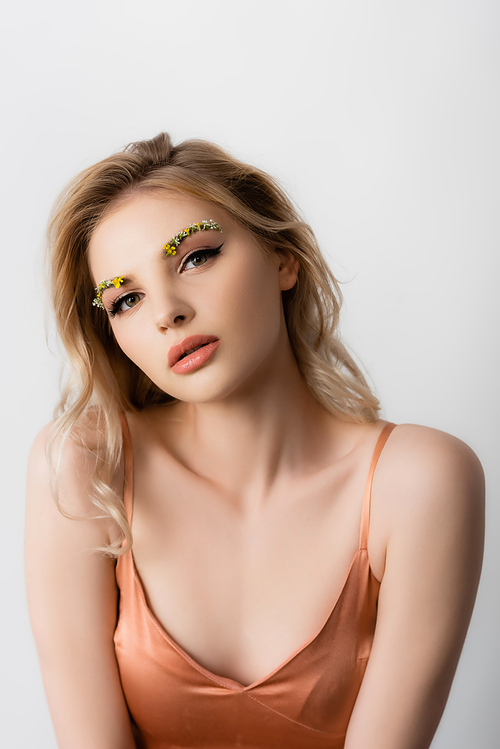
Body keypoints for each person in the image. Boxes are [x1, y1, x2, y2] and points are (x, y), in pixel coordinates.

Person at [25, 132, 485, 749]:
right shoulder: (86, 469)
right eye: (126, 299)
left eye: (195, 257)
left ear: (282, 259)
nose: (166, 312)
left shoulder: (419, 483)